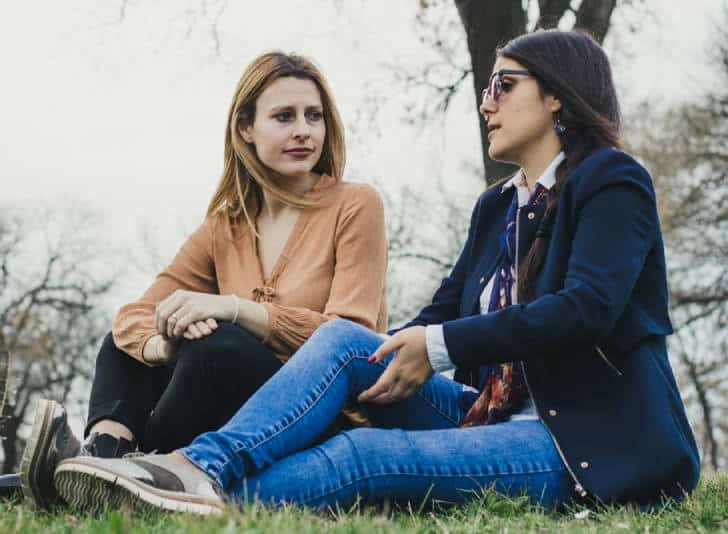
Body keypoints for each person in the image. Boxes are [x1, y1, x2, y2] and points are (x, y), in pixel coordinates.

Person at [51, 30, 700, 515]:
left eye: (504, 86)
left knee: (360, 455)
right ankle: (183, 471)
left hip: (572, 437)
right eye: (485, 88)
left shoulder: (611, 180)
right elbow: (440, 312)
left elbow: (587, 308)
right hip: (485, 413)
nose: (487, 103)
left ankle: (177, 487)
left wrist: (433, 347)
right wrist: (383, 358)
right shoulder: (499, 206)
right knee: (343, 342)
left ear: (557, 93)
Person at [6, 52, 388, 509]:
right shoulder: (226, 225)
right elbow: (133, 317)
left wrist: (235, 309)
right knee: (130, 343)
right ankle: (104, 455)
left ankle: (115, 472)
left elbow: (352, 340)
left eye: (314, 116)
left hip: (314, 415)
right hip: (230, 410)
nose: (304, 130)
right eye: (284, 117)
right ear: (245, 128)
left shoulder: (355, 204)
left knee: (218, 347)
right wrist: (164, 345)